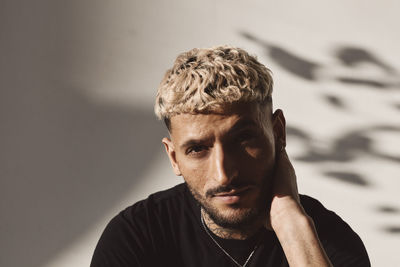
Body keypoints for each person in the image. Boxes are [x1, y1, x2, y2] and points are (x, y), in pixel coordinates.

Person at [91, 46, 370, 267]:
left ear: (278, 133)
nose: (224, 174)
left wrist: (292, 226)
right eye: (198, 149)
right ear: (174, 157)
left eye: (243, 140)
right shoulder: (137, 237)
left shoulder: (329, 242)